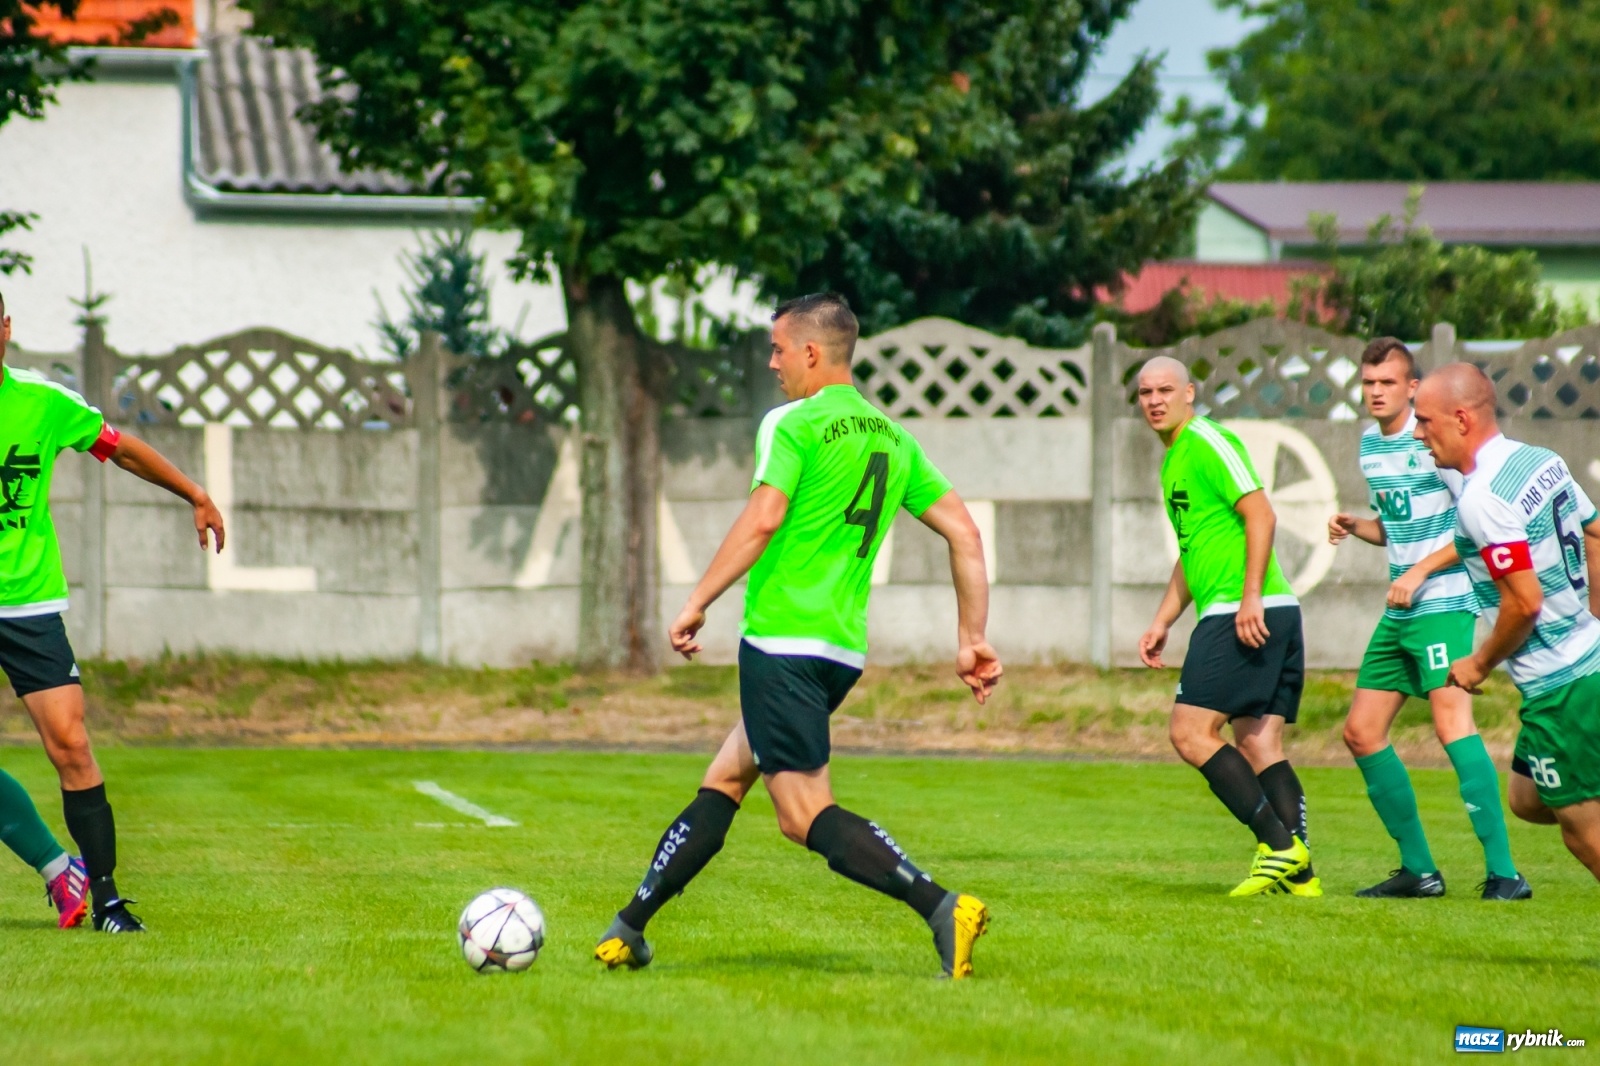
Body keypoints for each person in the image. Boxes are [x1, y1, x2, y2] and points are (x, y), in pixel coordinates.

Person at [593, 293, 1003, 977]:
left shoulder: (793, 423)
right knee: (726, 778)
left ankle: (942, 906)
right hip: (838, 652)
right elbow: (965, 532)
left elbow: (763, 519)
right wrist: (972, 638)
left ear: (812, 352)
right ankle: (628, 927)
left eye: (778, 348)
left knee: (803, 815)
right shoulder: (893, 437)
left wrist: (696, 601)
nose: (772, 362)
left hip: (781, 643)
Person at [0, 290, 225, 931]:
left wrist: (194, 492)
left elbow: (119, 447)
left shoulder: (44, 403)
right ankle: (57, 868)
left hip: (27, 603)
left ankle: (107, 900)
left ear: (6, 328)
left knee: (71, 744)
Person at [1329, 339, 1525, 900]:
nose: (1376, 392)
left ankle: (1505, 873)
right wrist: (1358, 526)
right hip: (1401, 609)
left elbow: (1470, 528)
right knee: (1361, 732)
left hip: (1443, 602)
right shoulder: (1370, 445)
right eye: (1369, 383)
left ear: (1412, 388)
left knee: (1451, 725)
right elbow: (1397, 528)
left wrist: (1418, 571)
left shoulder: (1435, 443)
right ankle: (1419, 870)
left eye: (1387, 383)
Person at [1135, 356, 1317, 897]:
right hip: (1258, 608)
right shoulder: (1173, 459)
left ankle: (1278, 846)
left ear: (1189, 392)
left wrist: (1249, 597)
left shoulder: (1207, 441)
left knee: (1189, 732)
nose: (1154, 401)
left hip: (1245, 609)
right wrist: (1163, 620)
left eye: (1165, 390)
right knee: (1259, 743)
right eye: (1145, 393)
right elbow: (1192, 551)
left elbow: (1262, 513)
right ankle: (1301, 877)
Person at [1414, 363, 1600, 884]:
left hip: (1562, 686)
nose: (1418, 433)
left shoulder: (1483, 499)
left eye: (1425, 421)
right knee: (1527, 797)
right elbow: (1595, 531)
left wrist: (1478, 664)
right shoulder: (1540, 460)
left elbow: (1523, 603)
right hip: (1589, 661)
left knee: (1583, 832)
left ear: (1461, 419)